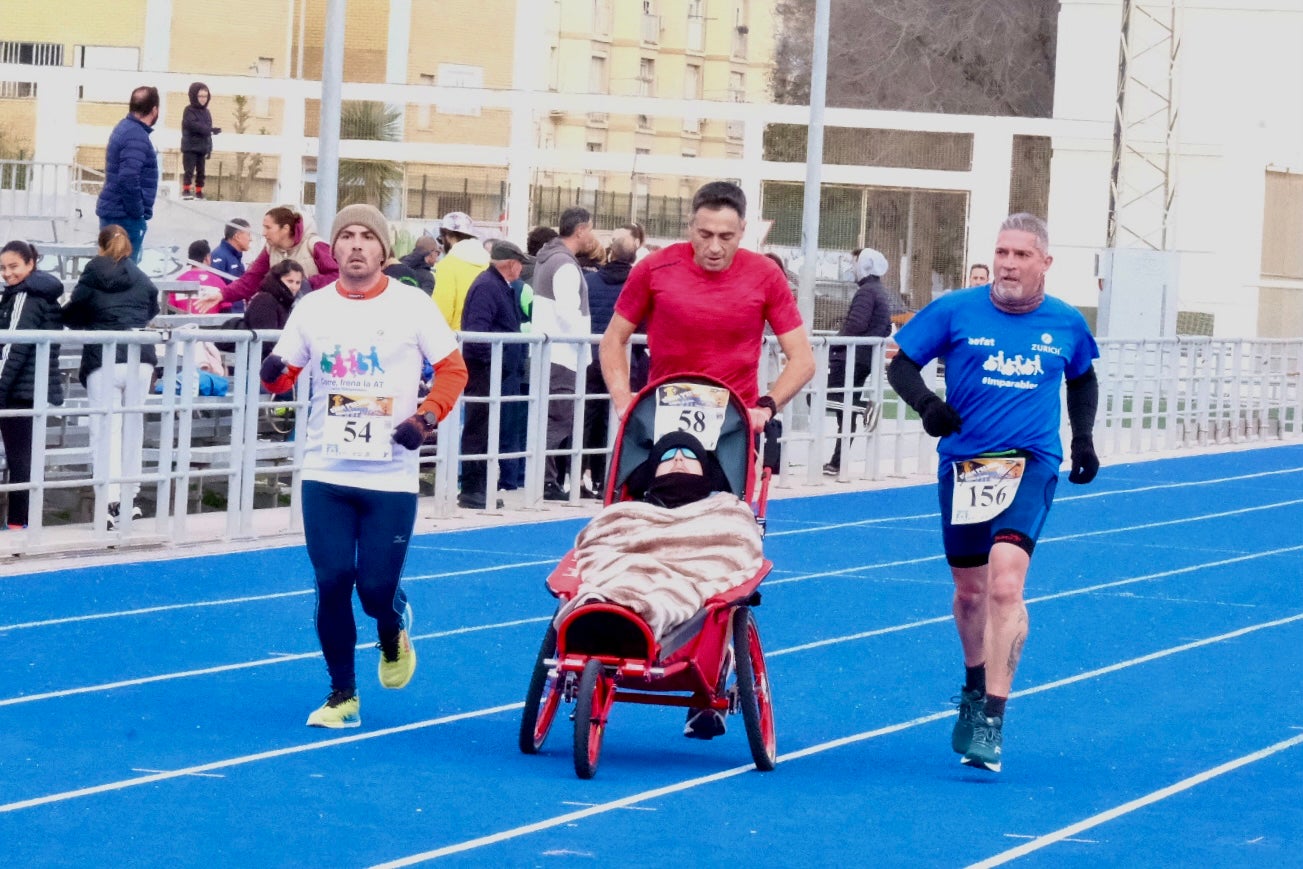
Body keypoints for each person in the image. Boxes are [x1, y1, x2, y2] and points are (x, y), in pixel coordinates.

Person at [885, 212, 1100, 773]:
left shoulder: (1067, 323)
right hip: (966, 466)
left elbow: (1082, 377)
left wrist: (1082, 439)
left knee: (1005, 584)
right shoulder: (957, 309)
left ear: (1045, 263)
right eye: (1002, 253)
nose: (1008, 264)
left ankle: (992, 719)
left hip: (1030, 463)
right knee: (971, 593)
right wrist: (928, 405)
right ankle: (975, 685)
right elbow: (901, 363)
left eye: (1021, 255)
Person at [258, 204, 468, 729]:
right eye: (346, 236)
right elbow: (286, 374)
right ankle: (342, 694)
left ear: (382, 249)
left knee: (373, 589)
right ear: (335, 247)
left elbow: (452, 369)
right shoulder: (313, 307)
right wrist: (273, 376)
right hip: (326, 468)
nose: (355, 245)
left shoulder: (412, 305)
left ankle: (392, 624)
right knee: (332, 579)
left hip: (388, 472)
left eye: (366, 237)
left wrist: (424, 418)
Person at [555, 430, 762, 740]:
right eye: (668, 456)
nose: (678, 459)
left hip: (684, 577)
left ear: (706, 470)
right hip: (624, 569)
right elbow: (597, 544)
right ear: (652, 470)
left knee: (663, 590)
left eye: (690, 456)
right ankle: (608, 609)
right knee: (612, 578)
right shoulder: (625, 513)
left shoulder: (726, 511)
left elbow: (736, 546)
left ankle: (632, 615)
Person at [600, 180, 815, 434]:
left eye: (726, 237)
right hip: (664, 418)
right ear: (690, 227)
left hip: (735, 422)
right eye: (705, 235)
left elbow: (803, 359)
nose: (714, 247)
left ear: (743, 230)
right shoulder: (653, 268)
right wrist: (623, 402)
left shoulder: (766, 275)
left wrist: (766, 407)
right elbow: (613, 340)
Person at [62, 224, 161, 530]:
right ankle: (130, 497)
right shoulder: (142, 278)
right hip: (140, 357)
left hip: (104, 356)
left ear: (100, 246)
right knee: (133, 427)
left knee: (105, 431)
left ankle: (108, 500)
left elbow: (73, 313)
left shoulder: (92, 274)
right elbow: (150, 309)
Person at [457, 240, 531, 510]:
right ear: (511, 264)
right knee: (480, 429)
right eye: (520, 263)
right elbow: (477, 333)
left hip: (492, 371)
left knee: (485, 430)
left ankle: (478, 488)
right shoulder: (489, 287)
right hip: (485, 372)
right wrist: (494, 362)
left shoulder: (493, 285)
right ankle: (472, 490)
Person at [0, 241, 64, 530]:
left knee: (20, 459)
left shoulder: (25, 295)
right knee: (23, 457)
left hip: (16, 389)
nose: (7, 273)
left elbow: (13, 347)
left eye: (13, 266)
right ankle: (20, 522)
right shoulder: (42, 292)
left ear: (30, 264)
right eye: (2, 268)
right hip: (30, 387)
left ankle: (17, 522)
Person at [532, 206, 595, 501]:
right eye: (590, 229)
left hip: (550, 353)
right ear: (580, 229)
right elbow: (569, 312)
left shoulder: (548, 259)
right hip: (564, 355)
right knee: (558, 420)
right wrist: (588, 341)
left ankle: (546, 479)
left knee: (551, 418)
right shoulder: (565, 265)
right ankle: (545, 480)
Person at [823, 246, 894, 475]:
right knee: (844, 409)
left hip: (850, 359)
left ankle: (865, 409)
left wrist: (833, 344)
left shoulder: (866, 293)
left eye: (855, 263)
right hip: (863, 358)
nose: (852, 269)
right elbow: (884, 328)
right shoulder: (880, 292)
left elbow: (856, 324)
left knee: (828, 401)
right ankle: (838, 462)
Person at [581, 225, 638, 498]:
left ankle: (580, 475)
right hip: (626, 363)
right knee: (618, 420)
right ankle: (610, 479)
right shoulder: (638, 285)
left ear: (610, 253)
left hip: (592, 359)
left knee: (587, 419)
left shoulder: (589, 283)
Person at [194, 206, 337, 312]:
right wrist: (221, 295)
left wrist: (306, 284)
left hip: (317, 313)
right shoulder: (270, 249)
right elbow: (250, 280)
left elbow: (338, 276)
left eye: (268, 228)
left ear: (285, 229)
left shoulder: (315, 245)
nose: (263, 233)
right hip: (286, 316)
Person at [95, 85, 160, 264]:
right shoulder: (136, 135)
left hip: (115, 211)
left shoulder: (125, 128)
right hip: (125, 216)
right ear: (154, 110)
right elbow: (129, 177)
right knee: (124, 274)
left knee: (109, 270)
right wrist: (137, 213)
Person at [431, 211, 488, 329]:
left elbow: (442, 312)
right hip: (485, 338)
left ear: (448, 236)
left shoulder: (447, 265)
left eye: (441, 239)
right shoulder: (488, 264)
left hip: (457, 339)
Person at [243, 259, 304, 360]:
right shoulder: (265, 300)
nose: (294, 287)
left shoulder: (287, 302)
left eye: (298, 283)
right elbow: (265, 341)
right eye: (290, 281)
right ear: (278, 279)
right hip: (259, 362)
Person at [180, 82, 221, 200]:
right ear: (194, 96)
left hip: (202, 147)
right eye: (201, 96)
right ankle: (186, 190)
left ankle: (199, 191)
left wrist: (209, 147)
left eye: (205, 96)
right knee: (189, 170)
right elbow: (194, 126)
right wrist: (210, 130)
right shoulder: (188, 110)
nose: (203, 99)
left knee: (201, 172)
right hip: (190, 147)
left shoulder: (207, 112)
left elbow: (207, 132)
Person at [170, 240, 229, 312]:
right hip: (212, 323)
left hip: (184, 323)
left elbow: (169, 311)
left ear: (190, 259)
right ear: (207, 257)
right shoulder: (219, 283)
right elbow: (227, 312)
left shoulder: (177, 283)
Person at [211, 218, 252, 284]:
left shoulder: (236, 255)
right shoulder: (219, 256)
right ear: (237, 236)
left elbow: (238, 284)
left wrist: (248, 273)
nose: (250, 239)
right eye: (248, 235)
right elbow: (214, 285)